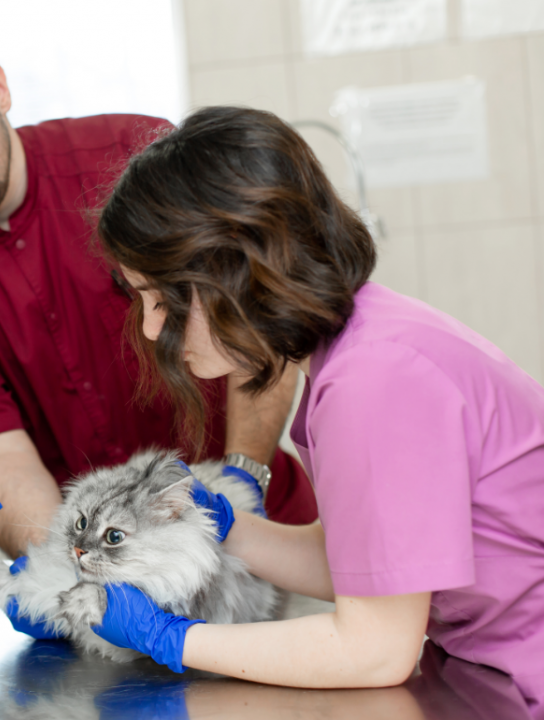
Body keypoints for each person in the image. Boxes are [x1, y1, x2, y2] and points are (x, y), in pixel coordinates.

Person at [87, 105, 544, 712]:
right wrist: (221, 525)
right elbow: (368, 568)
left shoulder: (375, 381)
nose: (149, 329)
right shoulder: (359, 348)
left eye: (160, 298)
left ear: (233, 268)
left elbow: (375, 650)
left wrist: (174, 640)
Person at [0, 14, 319, 570]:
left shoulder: (131, 159)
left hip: (259, 529)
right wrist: (74, 574)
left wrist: (242, 479)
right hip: (101, 566)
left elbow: (257, 323)